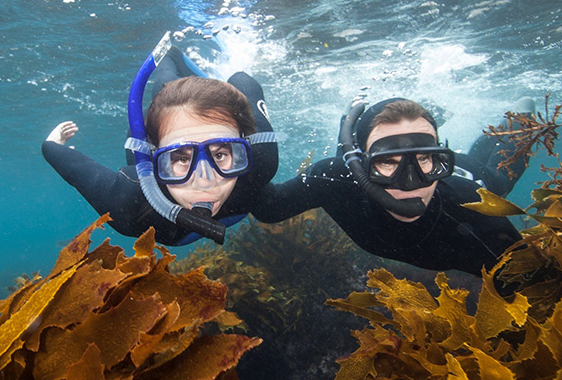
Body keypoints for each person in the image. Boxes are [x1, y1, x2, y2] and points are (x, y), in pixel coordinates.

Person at [251, 97, 534, 275]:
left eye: (424, 158)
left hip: (469, 175)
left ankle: (522, 115)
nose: (409, 182)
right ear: (361, 165)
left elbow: (530, 284)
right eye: (387, 162)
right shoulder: (335, 179)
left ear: (438, 157)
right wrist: (250, 115)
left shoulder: (470, 206)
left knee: (499, 182)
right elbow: (269, 207)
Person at [43, 38, 281, 246]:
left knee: (239, 79)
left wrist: (236, 79)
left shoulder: (260, 156)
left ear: (243, 150)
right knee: (166, 87)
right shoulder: (130, 204)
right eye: (181, 157)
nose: (205, 182)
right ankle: (171, 55)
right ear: (153, 157)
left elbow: (245, 83)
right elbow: (64, 159)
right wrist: (52, 143)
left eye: (220, 155)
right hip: (153, 133)